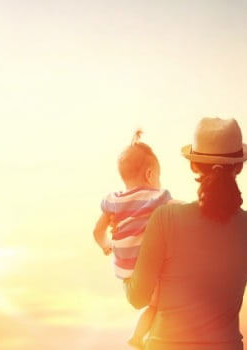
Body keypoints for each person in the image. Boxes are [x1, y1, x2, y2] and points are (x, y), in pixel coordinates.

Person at [123, 117, 247, 350]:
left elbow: (137, 298)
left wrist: (123, 255)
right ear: (239, 166)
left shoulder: (164, 219)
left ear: (193, 165)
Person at [93, 130, 173, 348]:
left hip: (126, 273)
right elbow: (180, 209)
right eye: (158, 175)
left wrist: (106, 245)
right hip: (148, 270)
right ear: (150, 174)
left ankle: (137, 337)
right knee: (157, 306)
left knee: (153, 305)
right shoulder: (156, 198)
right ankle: (139, 337)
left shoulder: (114, 201)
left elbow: (97, 230)